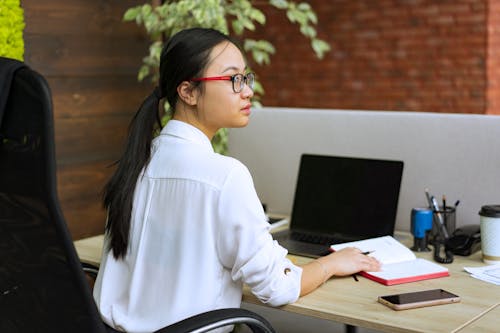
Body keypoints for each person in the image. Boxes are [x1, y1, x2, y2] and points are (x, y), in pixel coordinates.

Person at [93, 27, 380, 333]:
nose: (247, 91)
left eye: (246, 77)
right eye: (233, 79)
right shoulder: (225, 175)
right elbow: (276, 288)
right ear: (188, 91)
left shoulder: (136, 164)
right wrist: (330, 264)